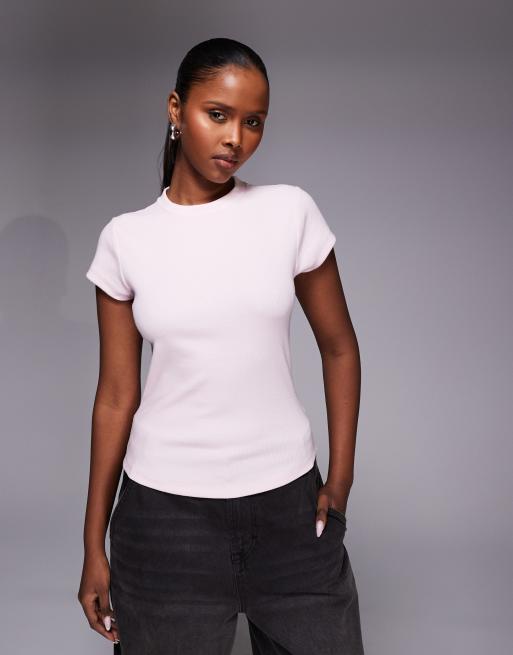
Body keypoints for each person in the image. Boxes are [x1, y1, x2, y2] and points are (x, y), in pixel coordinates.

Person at [77, 37, 365, 655]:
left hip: (289, 513)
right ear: (175, 110)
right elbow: (116, 396)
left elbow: (340, 347)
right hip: (164, 525)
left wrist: (339, 480)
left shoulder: (289, 212)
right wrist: (92, 544)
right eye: (218, 114)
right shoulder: (127, 240)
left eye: (253, 122)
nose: (236, 138)